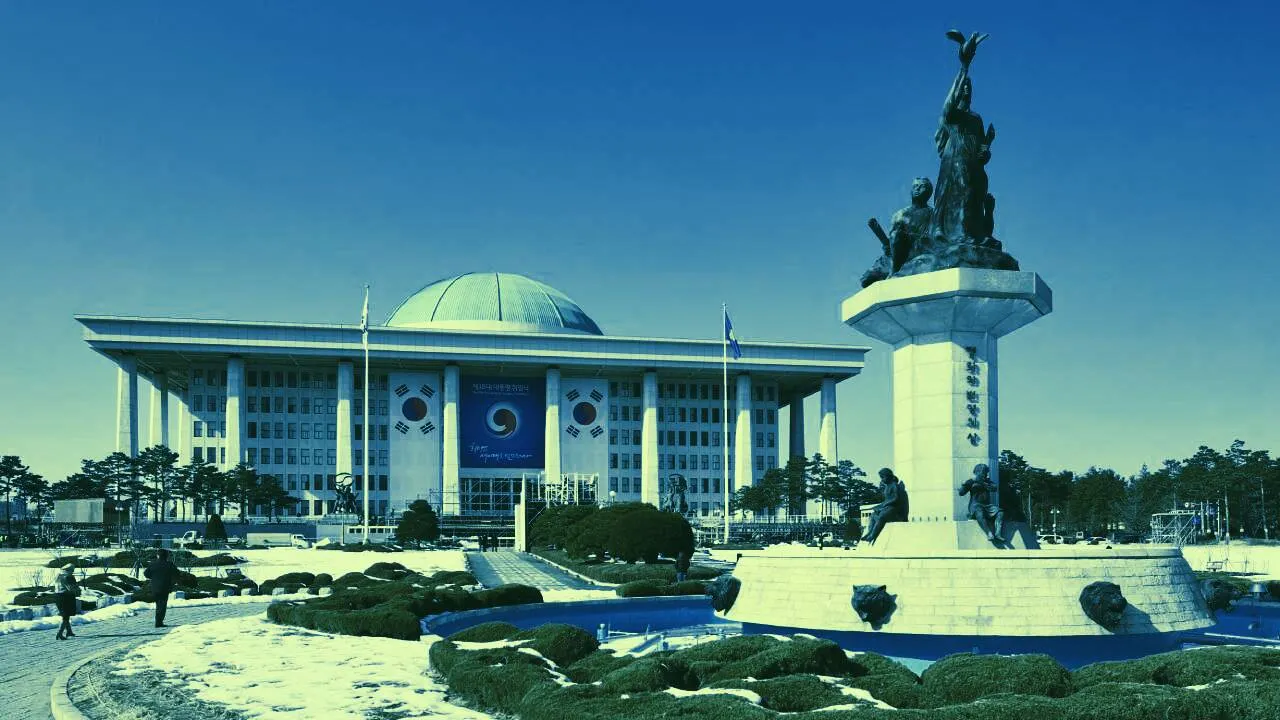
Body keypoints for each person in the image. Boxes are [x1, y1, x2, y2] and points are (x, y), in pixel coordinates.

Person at [959, 463, 1005, 545]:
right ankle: (989, 533)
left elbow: (994, 488)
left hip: (988, 506)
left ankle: (998, 533)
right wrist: (965, 484)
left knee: (1000, 512)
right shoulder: (971, 481)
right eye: (983, 472)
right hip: (975, 505)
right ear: (977, 472)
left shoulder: (987, 482)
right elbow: (961, 493)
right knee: (979, 511)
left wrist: (982, 482)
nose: (985, 474)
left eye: (985, 472)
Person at [862, 469, 910, 544]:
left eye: (883, 477)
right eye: (881, 478)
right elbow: (886, 500)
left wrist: (883, 506)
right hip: (889, 508)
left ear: (888, 476)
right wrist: (878, 507)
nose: (882, 479)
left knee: (881, 517)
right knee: (873, 516)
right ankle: (870, 532)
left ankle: (872, 536)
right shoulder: (887, 487)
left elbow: (895, 498)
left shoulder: (894, 485)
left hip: (895, 511)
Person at [144, 548, 180, 628]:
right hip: (165, 587)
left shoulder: (152, 564)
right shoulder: (169, 564)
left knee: (158, 604)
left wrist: (154, 577)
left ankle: (158, 621)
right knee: (162, 605)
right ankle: (158, 622)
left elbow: (146, 574)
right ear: (166, 556)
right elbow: (177, 573)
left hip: (154, 587)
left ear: (158, 556)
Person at [54, 564, 79, 640]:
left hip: (58, 596)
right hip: (66, 597)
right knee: (66, 616)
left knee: (65, 615)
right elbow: (71, 588)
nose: (73, 571)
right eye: (72, 570)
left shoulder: (58, 575)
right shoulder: (69, 577)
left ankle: (69, 631)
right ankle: (60, 633)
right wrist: (77, 588)